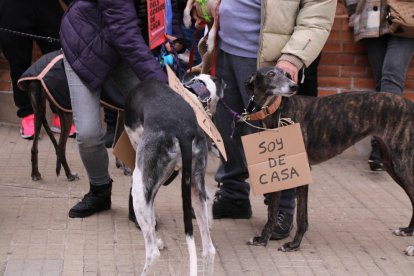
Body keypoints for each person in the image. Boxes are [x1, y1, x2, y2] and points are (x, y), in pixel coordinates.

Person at [211, 0, 336, 241]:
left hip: (271, 59)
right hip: (224, 48)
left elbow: (317, 14)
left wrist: (293, 57)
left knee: (274, 137)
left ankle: (282, 208)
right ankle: (233, 196)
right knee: (228, 125)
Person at [59, 0, 185, 219]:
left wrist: (177, 37)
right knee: (88, 134)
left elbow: (167, 6)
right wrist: (161, 85)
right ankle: (99, 190)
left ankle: (139, 198)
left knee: (154, 122)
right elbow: (125, 33)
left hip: (122, 51)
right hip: (85, 46)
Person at [345, 0, 414, 171]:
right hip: (371, 16)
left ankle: (383, 148)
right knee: (382, 84)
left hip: (406, 15)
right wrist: (353, 9)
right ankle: (385, 144)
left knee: (392, 78)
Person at [0, 0, 75, 139]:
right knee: (18, 61)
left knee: (60, 55)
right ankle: (27, 114)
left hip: (47, 4)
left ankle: (61, 111)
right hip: (13, 5)